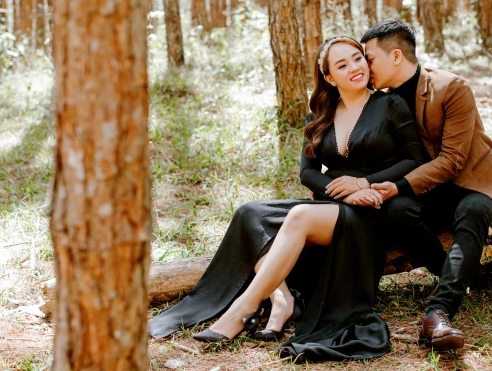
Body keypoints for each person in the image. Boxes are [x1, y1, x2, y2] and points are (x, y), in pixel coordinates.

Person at [148, 36, 430, 363]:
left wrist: (364, 184)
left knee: (297, 216)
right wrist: (338, 188)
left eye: (357, 58)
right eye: (342, 64)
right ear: (328, 77)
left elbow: (415, 160)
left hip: (372, 209)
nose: (355, 68)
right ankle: (281, 299)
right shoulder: (320, 115)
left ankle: (244, 309)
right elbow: (308, 173)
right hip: (333, 204)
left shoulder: (389, 104)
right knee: (250, 213)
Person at [359, 19, 492, 350]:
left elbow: (453, 161)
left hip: (472, 183)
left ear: (397, 55)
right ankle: (462, 275)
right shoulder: (378, 99)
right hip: (428, 191)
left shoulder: (451, 87)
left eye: (369, 58)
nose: (364, 65)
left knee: (473, 211)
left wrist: (399, 184)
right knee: (397, 209)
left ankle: (438, 313)